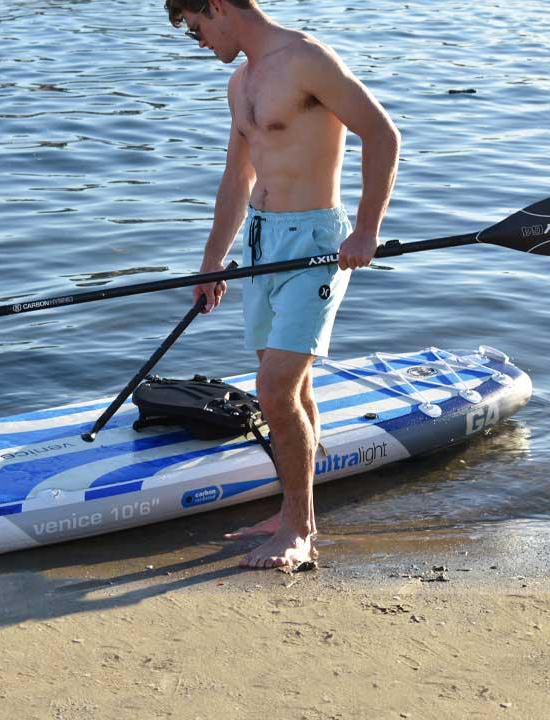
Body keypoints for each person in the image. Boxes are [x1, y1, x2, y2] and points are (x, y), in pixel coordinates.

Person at [164, 0, 400, 569]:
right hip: (260, 241)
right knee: (291, 387)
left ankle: (297, 531)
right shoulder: (240, 82)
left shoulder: (306, 59)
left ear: (217, 6)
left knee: (274, 388)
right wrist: (211, 262)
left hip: (315, 243)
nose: (198, 41)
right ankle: (298, 513)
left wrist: (367, 229)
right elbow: (236, 176)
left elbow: (382, 134)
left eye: (196, 28)